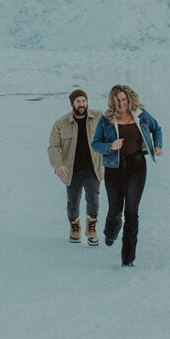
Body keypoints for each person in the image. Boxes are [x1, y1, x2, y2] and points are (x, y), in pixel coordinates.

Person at [91, 84, 163, 267]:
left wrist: (158, 145)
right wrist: (110, 147)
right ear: (113, 100)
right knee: (115, 210)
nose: (122, 103)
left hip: (137, 166)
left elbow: (157, 129)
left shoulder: (141, 115)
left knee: (131, 212)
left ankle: (128, 259)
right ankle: (110, 232)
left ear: (129, 99)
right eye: (118, 99)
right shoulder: (106, 119)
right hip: (113, 168)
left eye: (124, 99)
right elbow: (95, 144)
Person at [48, 89, 104, 246]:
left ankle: (91, 228)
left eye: (84, 101)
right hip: (72, 170)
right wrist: (58, 165)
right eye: (78, 101)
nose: (82, 104)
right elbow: (53, 147)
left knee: (93, 198)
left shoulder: (99, 117)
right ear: (72, 103)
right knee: (73, 201)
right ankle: (74, 227)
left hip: (93, 168)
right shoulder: (61, 123)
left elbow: (115, 122)